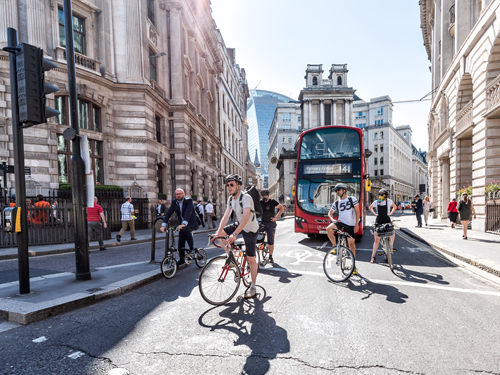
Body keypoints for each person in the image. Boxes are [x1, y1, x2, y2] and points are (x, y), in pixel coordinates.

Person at [214, 174, 259, 298]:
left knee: (251, 259)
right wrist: (218, 233)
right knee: (220, 236)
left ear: (239, 186)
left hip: (250, 229)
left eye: (232, 184)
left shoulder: (246, 198)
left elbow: (245, 219)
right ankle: (231, 259)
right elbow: (225, 217)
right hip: (240, 225)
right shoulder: (230, 199)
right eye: (228, 185)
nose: (229, 187)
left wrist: (234, 234)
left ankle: (253, 286)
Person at [326, 183, 360, 275]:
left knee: (351, 245)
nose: (337, 191)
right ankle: (334, 246)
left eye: (338, 189)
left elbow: (357, 211)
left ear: (344, 190)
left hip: (351, 225)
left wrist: (357, 224)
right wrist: (333, 219)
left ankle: (353, 266)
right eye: (336, 190)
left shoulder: (352, 199)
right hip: (340, 223)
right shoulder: (337, 202)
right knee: (328, 229)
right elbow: (330, 213)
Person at [160, 188, 200, 265]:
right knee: (180, 241)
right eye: (176, 194)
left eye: (180, 194)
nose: (178, 195)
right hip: (181, 224)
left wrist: (184, 224)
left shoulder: (189, 201)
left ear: (184, 194)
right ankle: (181, 259)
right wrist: (163, 225)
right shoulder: (174, 202)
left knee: (185, 230)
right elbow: (168, 213)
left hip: (192, 222)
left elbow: (188, 212)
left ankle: (191, 248)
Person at [369, 189, 397, 263]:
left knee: (393, 232)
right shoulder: (376, 202)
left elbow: (395, 207)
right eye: (380, 194)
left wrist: (391, 213)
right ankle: (373, 257)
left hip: (387, 220)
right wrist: (374, 214)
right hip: (379, 221)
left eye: (383, 194)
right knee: (376, 240)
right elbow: (370, 207)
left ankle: (390, 247)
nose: (381, 196)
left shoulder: (389, 201)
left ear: (386, 195)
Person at [259, 189, 284, 264]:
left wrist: (276, 217)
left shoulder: (273, 202)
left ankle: (270, 256)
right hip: (262, 223)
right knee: (256, 237)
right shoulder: (260, 202)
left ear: (268, 195)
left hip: (271, 224)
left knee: (270, 240)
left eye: (265, 195)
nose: (264, 197)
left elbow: (282, 208)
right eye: (263, 195)